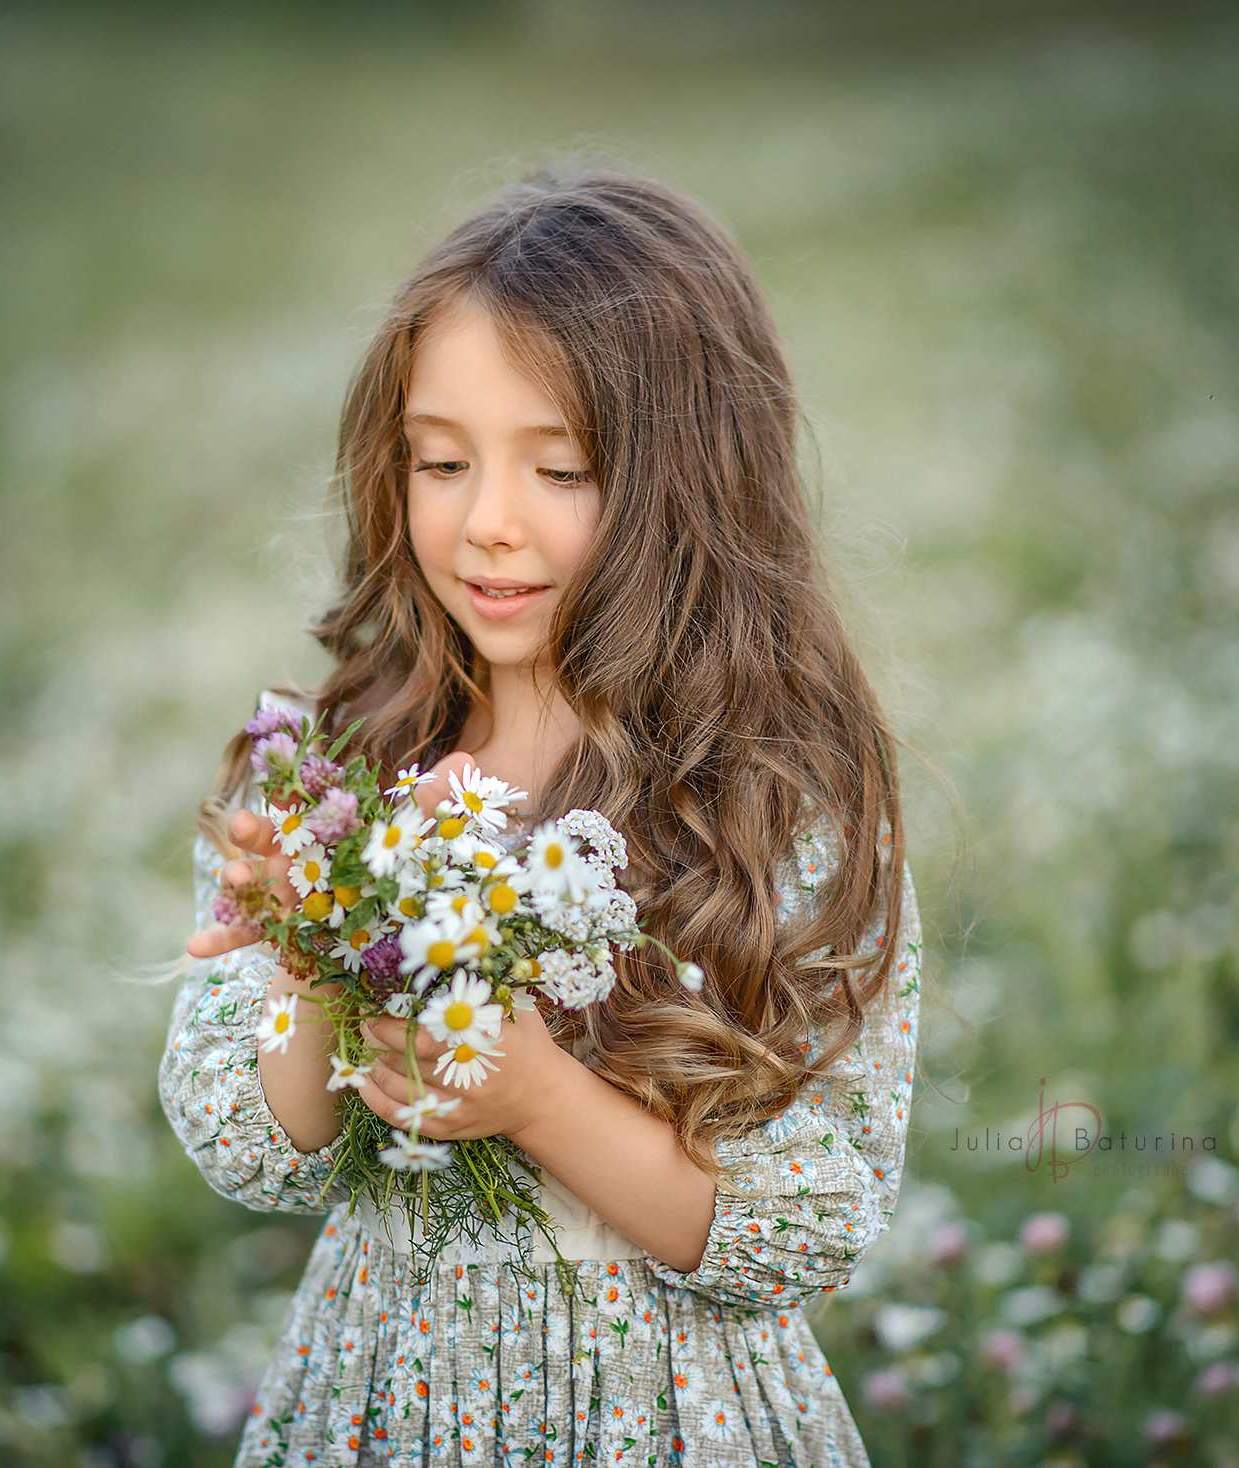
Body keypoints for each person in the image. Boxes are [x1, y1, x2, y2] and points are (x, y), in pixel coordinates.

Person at [159, 164, 925, 1468]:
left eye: (560, 469)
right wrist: (308, 950)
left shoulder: (774, 797)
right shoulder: (337, 766)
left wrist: (534, 1096)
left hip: (674, 1418)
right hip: (391, 1400)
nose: (487, 525)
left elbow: (810, 1223)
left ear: (693, 485)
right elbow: (261, 1156)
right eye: (441, 462)